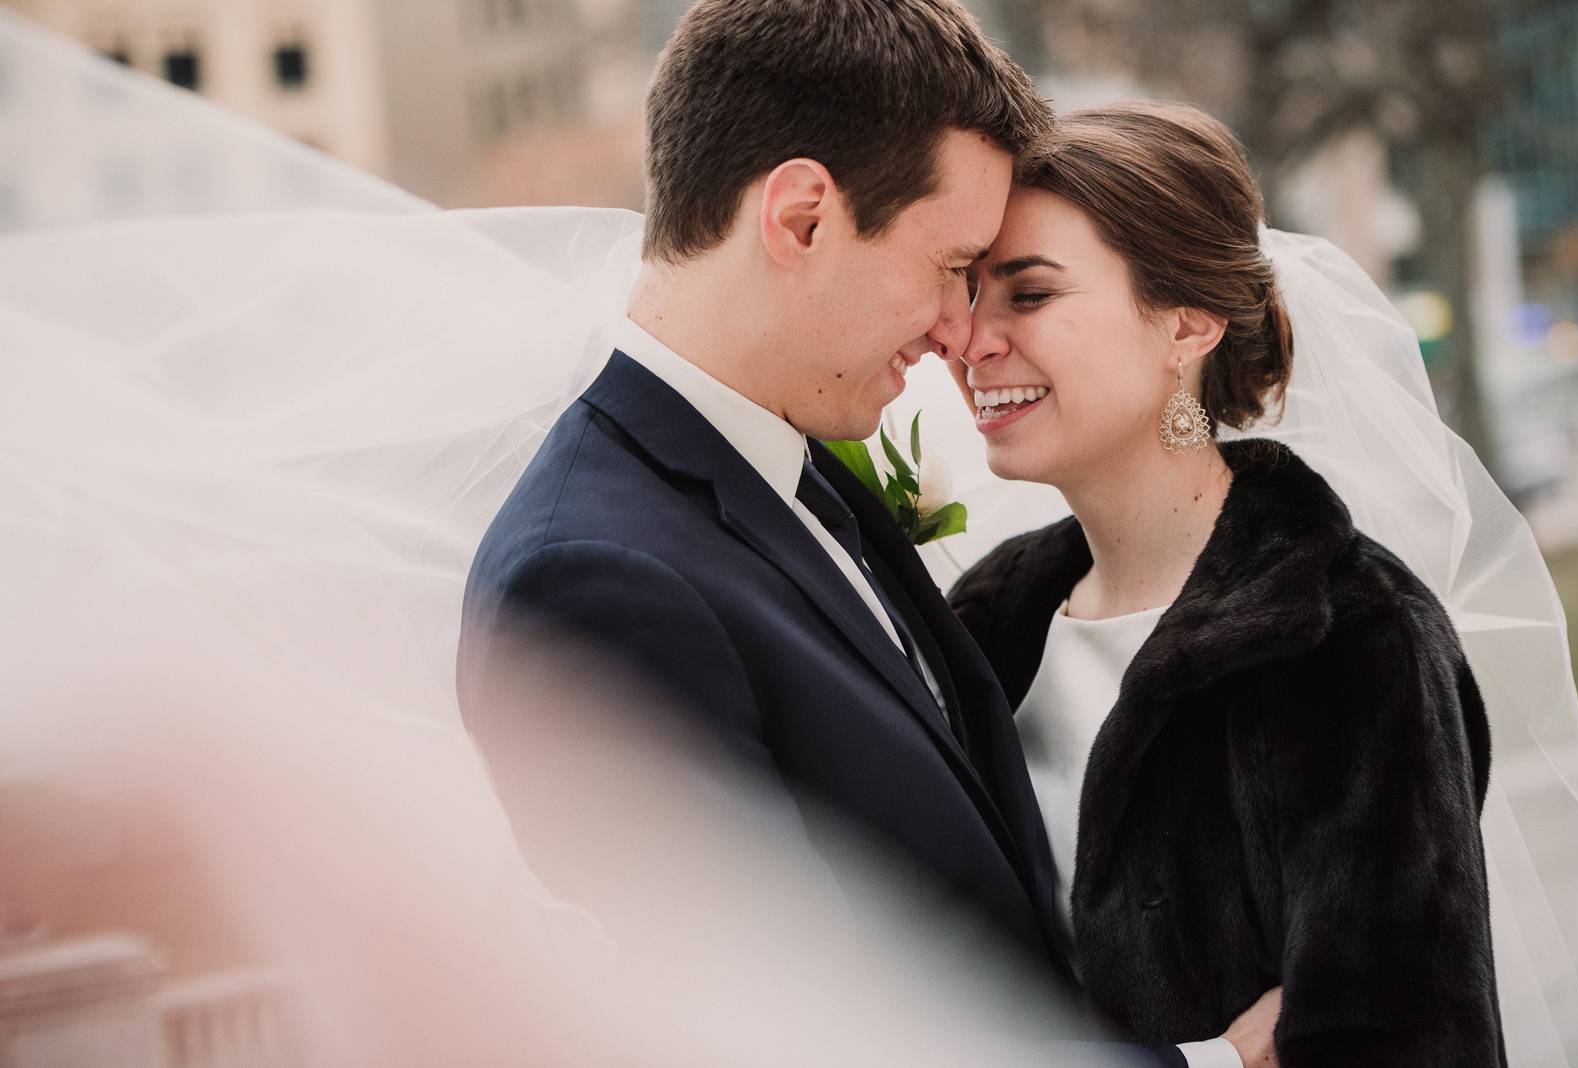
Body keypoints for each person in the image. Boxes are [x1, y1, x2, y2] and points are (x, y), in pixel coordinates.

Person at [456, 4, 1273, 1064]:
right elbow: (798, 1029)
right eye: (951, 265)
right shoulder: (594, 582)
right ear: (800, 217)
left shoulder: (784, 474)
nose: (956, 333)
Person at [943, 101, 1507, 1065]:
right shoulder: (983, 629)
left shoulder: (1350, 634)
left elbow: (1414, 1038)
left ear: (1188, 324)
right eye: (969, 293)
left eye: (1028, 295)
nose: (971, 340)